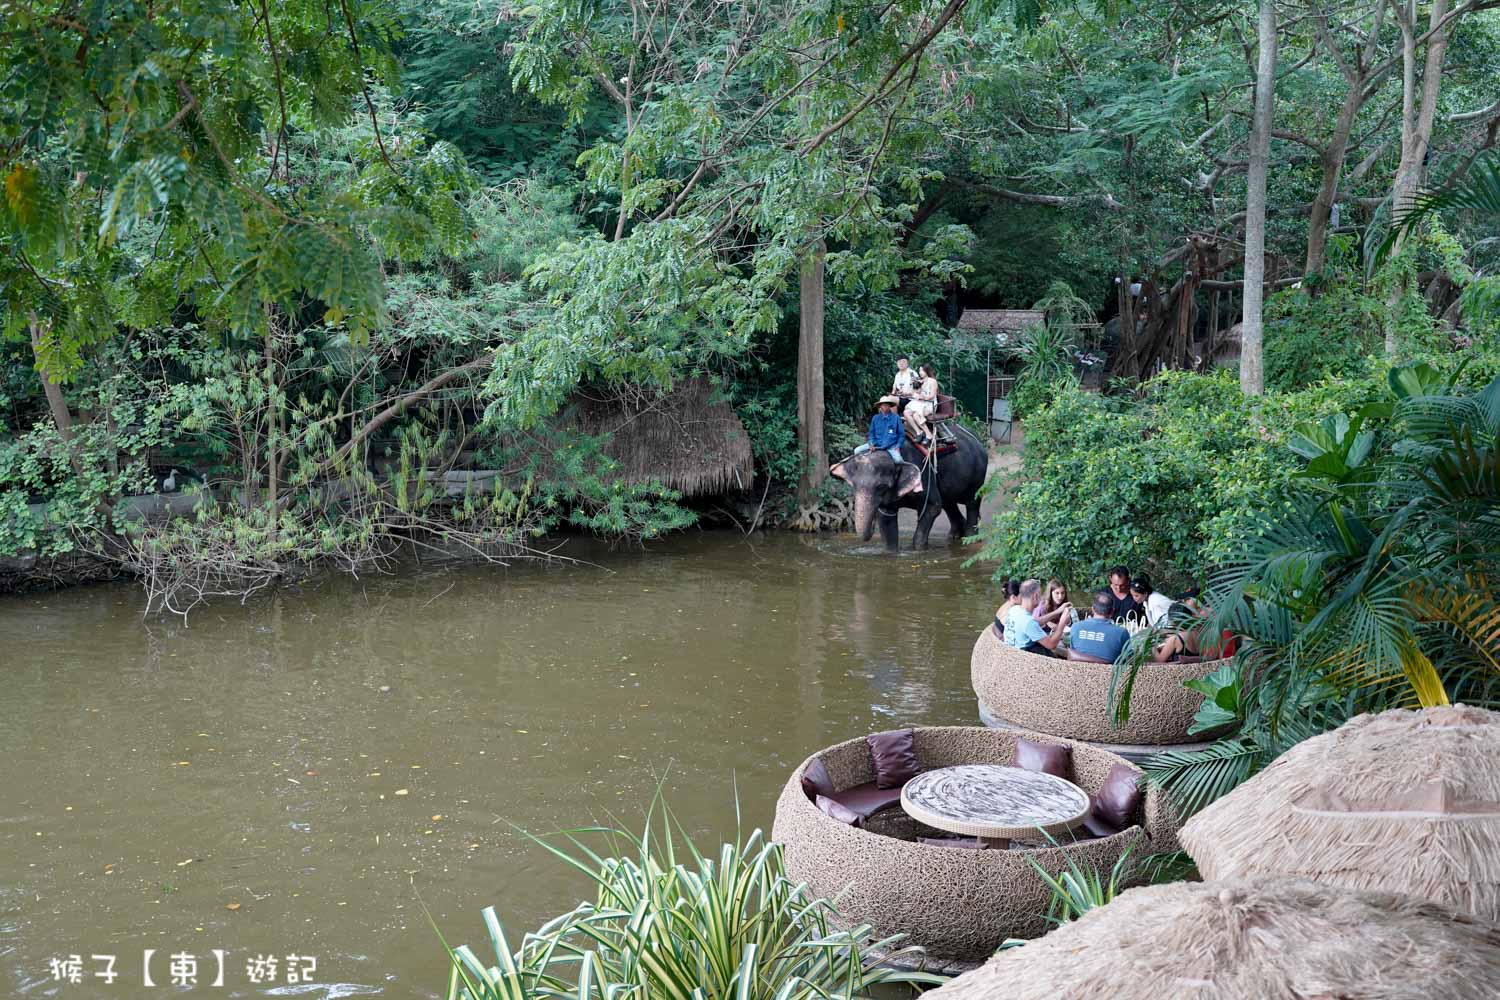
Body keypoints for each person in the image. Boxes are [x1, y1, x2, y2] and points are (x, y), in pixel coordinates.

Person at [1004, 579, 1071, 657]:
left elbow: (1034, 622)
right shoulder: (1028, 622)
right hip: (1022, 658)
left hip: (1011, 652)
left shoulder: (1014, 609)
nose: (1041, 597)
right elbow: (1051, 645)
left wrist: (1057, 611)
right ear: (1035, 596)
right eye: (1040, 594)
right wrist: (1062, 623)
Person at [1068, 590, 1132, 662]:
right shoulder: (1122, 633)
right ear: (1112, 611)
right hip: (1107, 672)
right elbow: (1130, 660)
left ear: (1092, 609)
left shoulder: (1075, 627)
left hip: (1077, 672)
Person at [854, 396, 904, 462]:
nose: (886, 407)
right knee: (856, 451)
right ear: (880, 406)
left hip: (891, 446)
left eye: (887, 405)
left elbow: (901, 435)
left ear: (890, 406)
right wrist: (871, 443)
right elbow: (871, 434)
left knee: (899, 460)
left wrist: (898, 446)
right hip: (876, 444)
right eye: (884, 405)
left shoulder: (896, 418)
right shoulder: (875, 418)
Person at [903, 363, 940, 444]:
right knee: (906, 412)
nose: (920, 372)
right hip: (921, 403)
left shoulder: (933, 381)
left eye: (922, 370)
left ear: (927, 371)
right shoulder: (921, 381)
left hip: (930, 404)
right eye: (919, 370)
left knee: (916, 414)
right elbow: (916, 392)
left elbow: (932, 396)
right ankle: (919, 432)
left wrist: (921, 397)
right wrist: (913, 384)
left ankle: (928, 435)